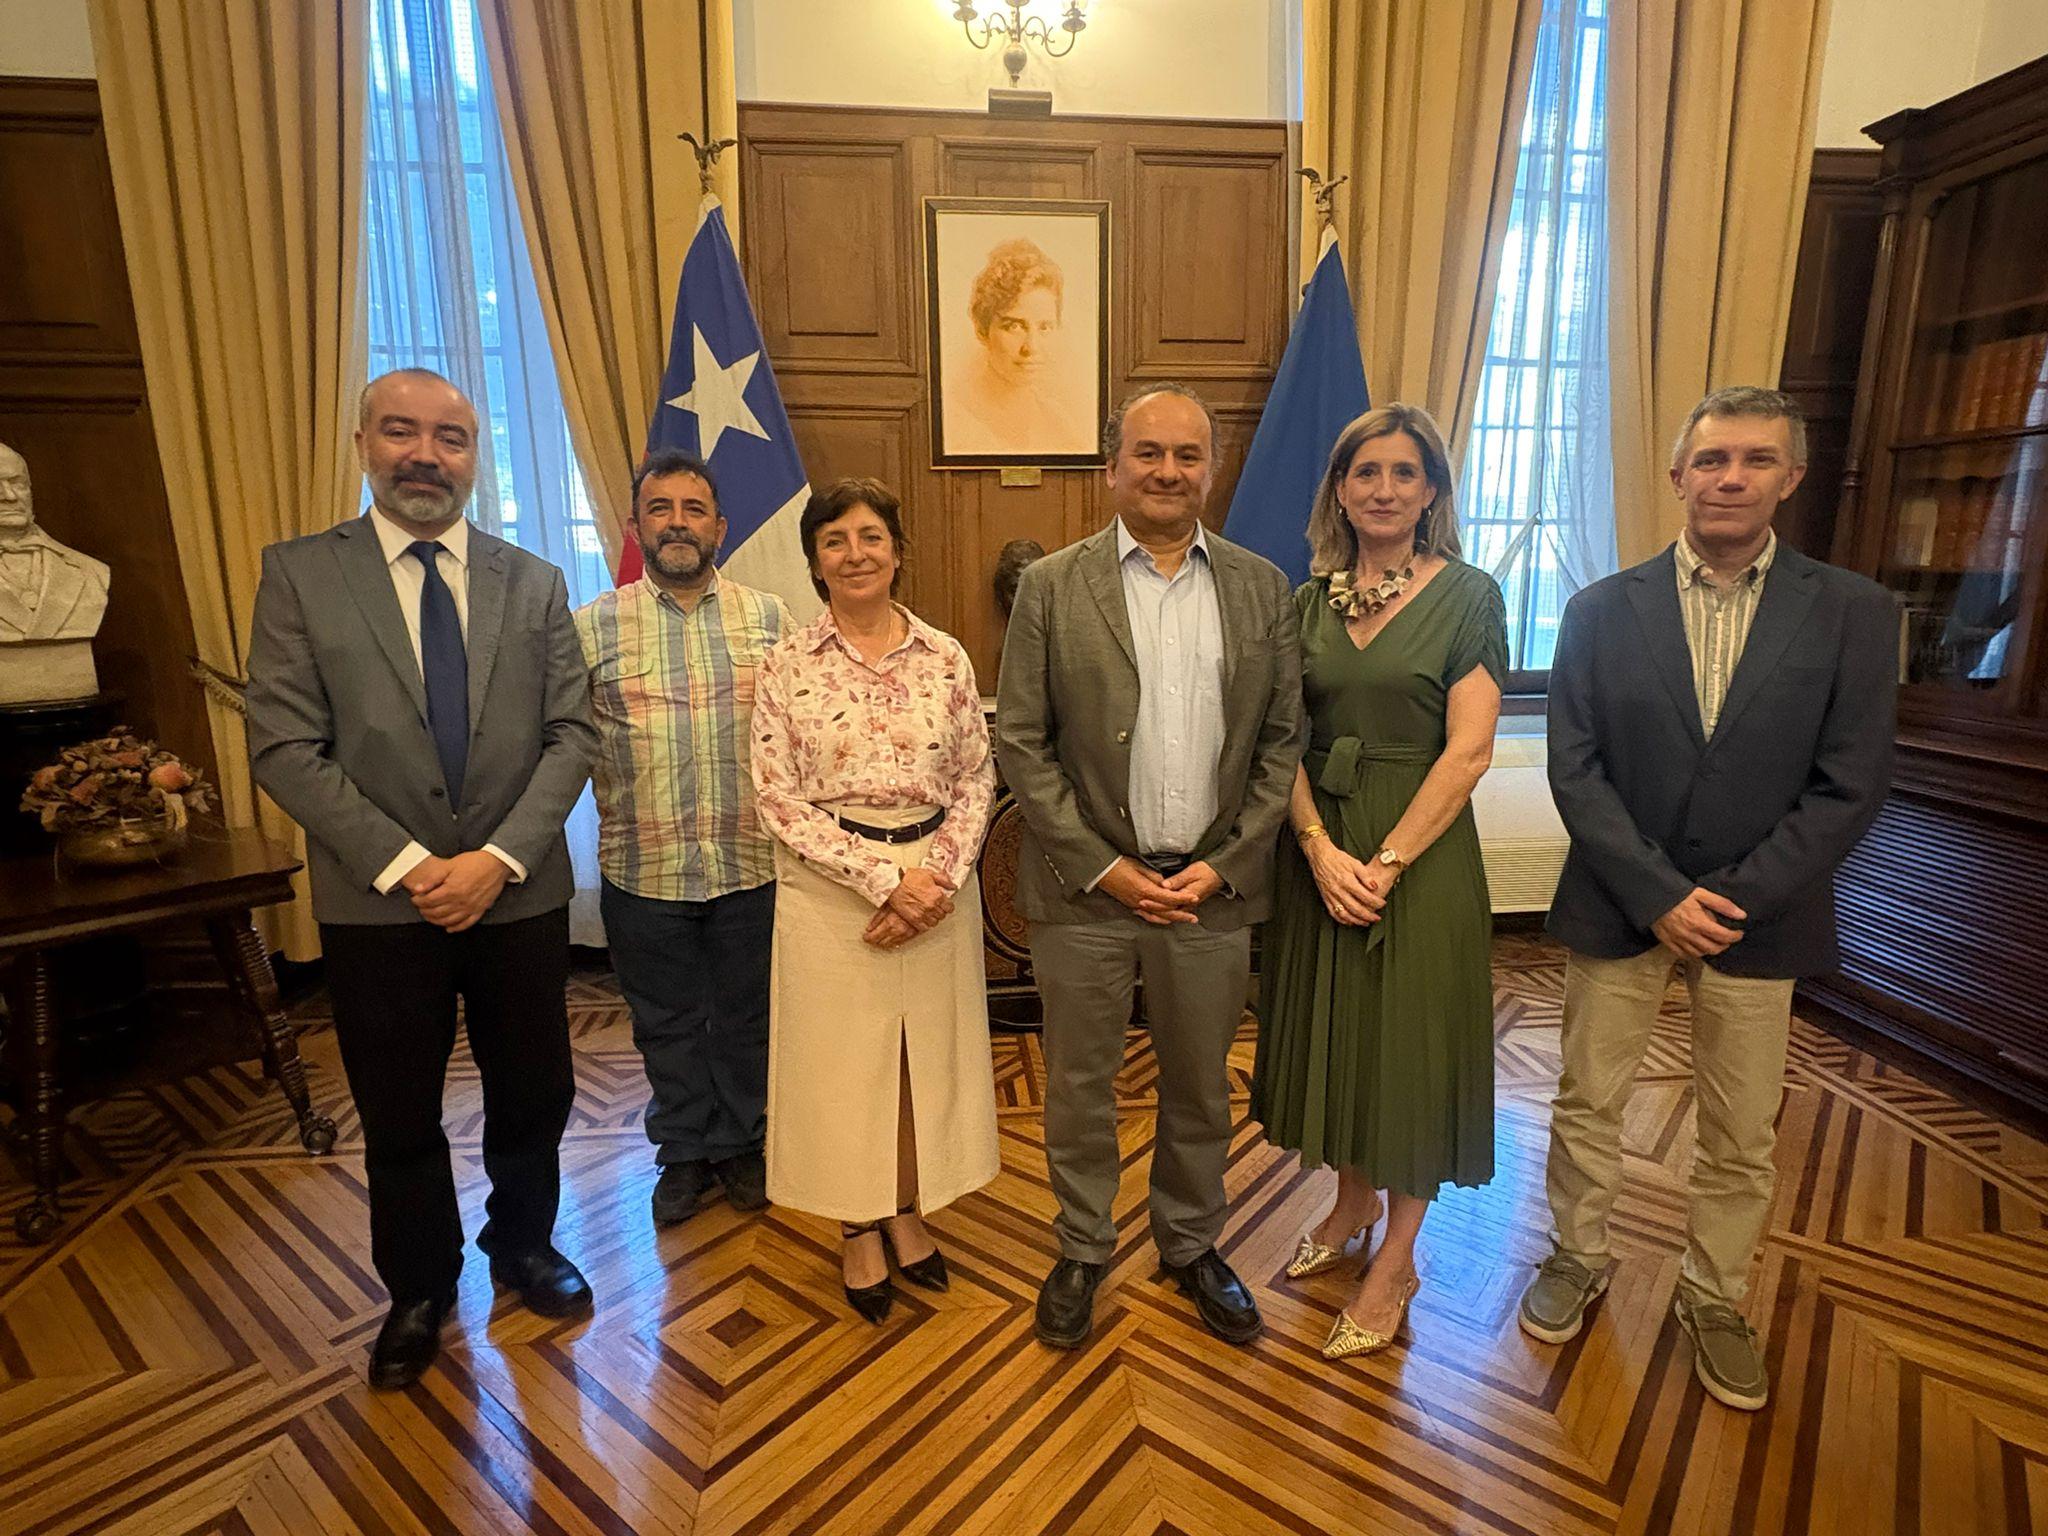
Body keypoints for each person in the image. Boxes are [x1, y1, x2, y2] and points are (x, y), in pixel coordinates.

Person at [1520, 385, 1896, 1411]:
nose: (1730, 478)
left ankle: (1713, 1295)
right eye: (1712, 459)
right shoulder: (1599, 610)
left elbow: (1849, 781)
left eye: (1754, 461)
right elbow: (1575, 767)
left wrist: (1726, 898)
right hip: (1617, 901)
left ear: (1789, 478)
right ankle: (1574, 1253)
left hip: (1759, 914)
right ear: (1678, 473)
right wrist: (1655, 895)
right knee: (1586, 1099)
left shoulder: (1854, 614)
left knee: (1738, 1129)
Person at [245, 368, 597, 1390]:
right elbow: (283, 745)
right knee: (398, 1110)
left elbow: (572, 732)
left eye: (451, 439)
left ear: (473, 457)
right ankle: (418, 1286)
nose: (426, 456)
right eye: (402, 432)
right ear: (362, 442)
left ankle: (521, 1243)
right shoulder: (302, 576)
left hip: (517, 893)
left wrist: (493, 860)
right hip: (376, 905)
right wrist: (410, 866)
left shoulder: (530, 581)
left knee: (535, 1089)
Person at [995, 384, 1306, 1349]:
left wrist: (1226, 864)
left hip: (1212, 894)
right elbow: (1022, 742)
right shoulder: (1053, 585)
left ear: (1210, 470)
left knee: (1201, 1085)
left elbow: (1281, 743)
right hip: (1085, 898)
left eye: (1187, 455)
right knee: (1081, 1085)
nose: (1168, 471)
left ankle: (1189, 1242)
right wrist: (1100, 867)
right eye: (1147, 454)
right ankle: (1083, 1246)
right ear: (1112, 467)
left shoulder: (1264, 588)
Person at [1251, 405, 1506, 1361]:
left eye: (1405, 473)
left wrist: (1387, 861)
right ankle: (1352, 1197)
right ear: (1341, 491)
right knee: (1341, 1034)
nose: (1385, 490)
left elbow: (1471, 750)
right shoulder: (1306, 603)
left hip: (1422, 858)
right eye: (1367, 473)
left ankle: (1398, 1254)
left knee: (1407, 1052)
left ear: (1432, 489)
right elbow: (1279, 741)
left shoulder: (1472, 593)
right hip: (1321, 848)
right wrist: (1319, 850)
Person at [749, 476, 999, 1323]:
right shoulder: (787, 663)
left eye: (870, 537)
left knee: (914, 1062)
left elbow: (976, 774)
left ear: (898, 550)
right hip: (829, 891)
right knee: (839, 1068)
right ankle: (856, 1224)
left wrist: (940, 880)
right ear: (815, 561)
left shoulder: (946, 656)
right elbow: (777, 798)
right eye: (835, 541)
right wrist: (889, 881)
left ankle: (903, 1209)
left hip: (940, 878)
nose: (855, 554)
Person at [575, 449, 791, 1226]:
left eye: (693, 509)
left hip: (749, 863)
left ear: (720, 528)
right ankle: (683, 1153)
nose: (677, 522)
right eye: (660, 508)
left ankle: (742, 1142)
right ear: (637, 527)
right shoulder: (593, 626)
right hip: (643, 867)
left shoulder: (769, 619)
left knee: (744, 1019)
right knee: (664, 1024)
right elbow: (563, 742)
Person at [946, 238, 1079, 455]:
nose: (1031, 347)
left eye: (1044, 327)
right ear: (982, 330)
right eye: (1015, 327)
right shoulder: (956, 418)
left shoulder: (1060, 425)